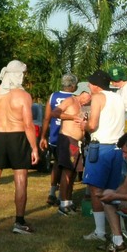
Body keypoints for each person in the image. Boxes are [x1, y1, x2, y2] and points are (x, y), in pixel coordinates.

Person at [0, 60, 39, 234]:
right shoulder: (23, 96)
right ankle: (19, 222)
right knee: (20, 179)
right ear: (18, 75)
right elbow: (28, 125)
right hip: (17, 136)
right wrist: (34, 147)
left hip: (0, 136)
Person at [82, 69, 127, 245]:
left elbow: (93, 125)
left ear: (96, 85)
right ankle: (120, 230)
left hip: (101, 147)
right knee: (113, 190)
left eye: (90, 83)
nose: (88, 85)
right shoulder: (118, 98)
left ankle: (100, 231)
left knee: (96, 190)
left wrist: (83, 124)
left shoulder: (98, 98)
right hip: (117, 148)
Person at [40, 74, 80, 206]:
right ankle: (63, 197)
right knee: (68, 168)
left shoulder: (53, 96)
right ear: (73, 86)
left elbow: (47, 117)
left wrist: (43, 136)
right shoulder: (74, 98)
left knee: (57, 164)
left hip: (54, 136)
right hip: (68, 136)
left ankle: (52, 192)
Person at [51, 87, 91, 216]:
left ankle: (68, 201)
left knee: (74, 173)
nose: (88, 100)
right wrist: (72, 117)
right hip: (67, 139)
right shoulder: (70, 100)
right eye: (88, 97)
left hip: (79, 142)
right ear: (82, 92)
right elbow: (55, 113)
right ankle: (63, 204)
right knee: (67, 172)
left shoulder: (85, 106)